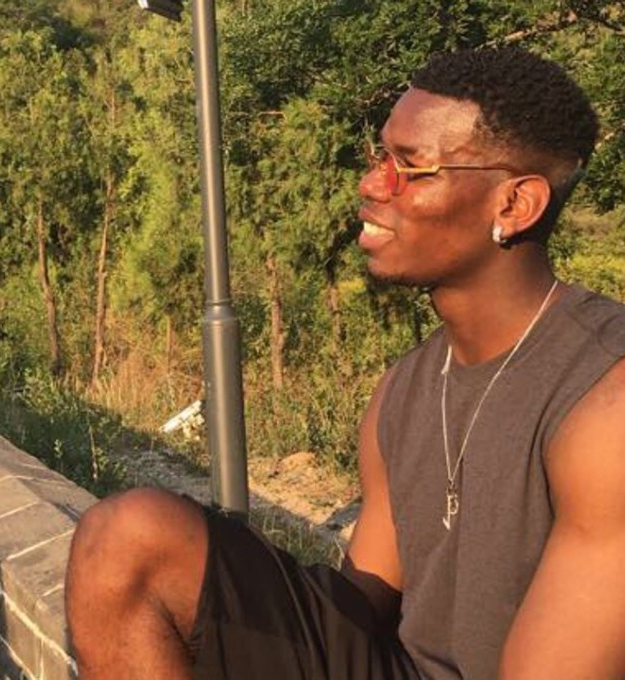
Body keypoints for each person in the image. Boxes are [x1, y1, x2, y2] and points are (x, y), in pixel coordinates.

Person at [64, 46, 625, 679]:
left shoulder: (604, 396)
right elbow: (361, 611)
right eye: (379, 157)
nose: (372, 184)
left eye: (410, 167)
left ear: (514, 205)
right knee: (127, 539)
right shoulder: (407, 387)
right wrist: (233, 599)